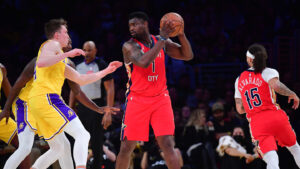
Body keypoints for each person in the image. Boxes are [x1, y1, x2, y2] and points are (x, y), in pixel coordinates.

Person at [0, 40, 120, 169]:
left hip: (45, 106)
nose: (69, 45)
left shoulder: (69, 64)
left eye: (70, 43)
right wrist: (7, 108)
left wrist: (97, 108)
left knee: (62, 147)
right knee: (25, 147)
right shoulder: (41, 60)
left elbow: (78, 91)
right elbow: (18, 83)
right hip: (25, 104)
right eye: (65, 42)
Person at [24, 18, 122, 169]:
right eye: (66, 32)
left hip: (38, 103)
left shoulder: (59, 62)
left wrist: (107, 70)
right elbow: (41, 62)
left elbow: (81, 79)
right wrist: (68, 53)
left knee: (59, 148)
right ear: (57, 35)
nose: (68, 36)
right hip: (47, 99)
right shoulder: (52, 44)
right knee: (83, 135)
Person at [116, 12, 193, 169]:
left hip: (160, 99)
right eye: (130, 25)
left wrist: (181, 34)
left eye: (135, 24)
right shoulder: (129, 46)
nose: (131, 28)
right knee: (126, 147)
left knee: (167, 145)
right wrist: (163, 39)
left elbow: (187, 55)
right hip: (137, 100)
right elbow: (143, 62)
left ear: (145, 24)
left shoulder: (160, 40)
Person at [234, 43, 300, 169]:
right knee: (295, 148)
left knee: (271, 158)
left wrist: (251, 107)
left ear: (249, 59)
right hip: (275, 115)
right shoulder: (268, 71)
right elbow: (276, 86)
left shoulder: (239, 80)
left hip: (257, 121)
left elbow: (240, 109)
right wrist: (292, 93)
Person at [69, 41, 115, 169]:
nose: (87, 53)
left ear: (95, 51)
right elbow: (74, 89)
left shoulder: (101, 65)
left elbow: (110, 89)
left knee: (96, 142)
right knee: (78, 140)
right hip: (81, 108)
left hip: (97, 107)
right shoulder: (77, 67)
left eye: (89, 50)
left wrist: (108, 113)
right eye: (84, 50)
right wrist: (70, 107)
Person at [0, 63, 31, 169]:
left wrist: (7, 110)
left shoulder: (1, 69)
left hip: (1, 117)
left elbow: (10, 95)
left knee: (25, 143)